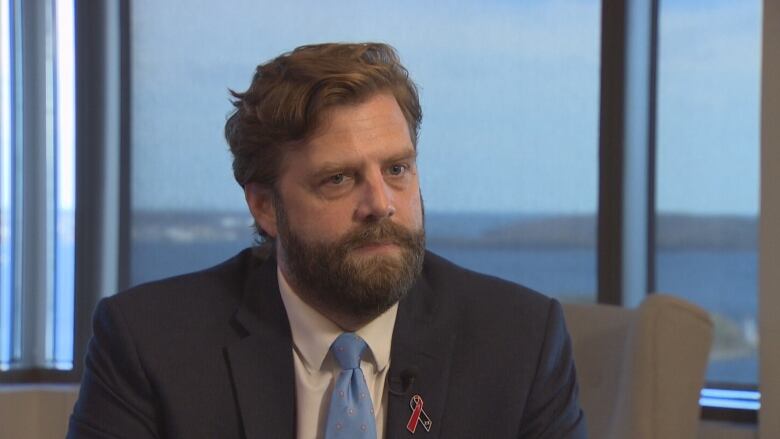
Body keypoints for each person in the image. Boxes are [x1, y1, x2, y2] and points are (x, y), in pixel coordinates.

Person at [68, 42, 586, 438]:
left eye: (397, 168)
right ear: (265, 206)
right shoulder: (149, 344)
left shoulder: (520, 340)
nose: (381, 203)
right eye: (338, 179)